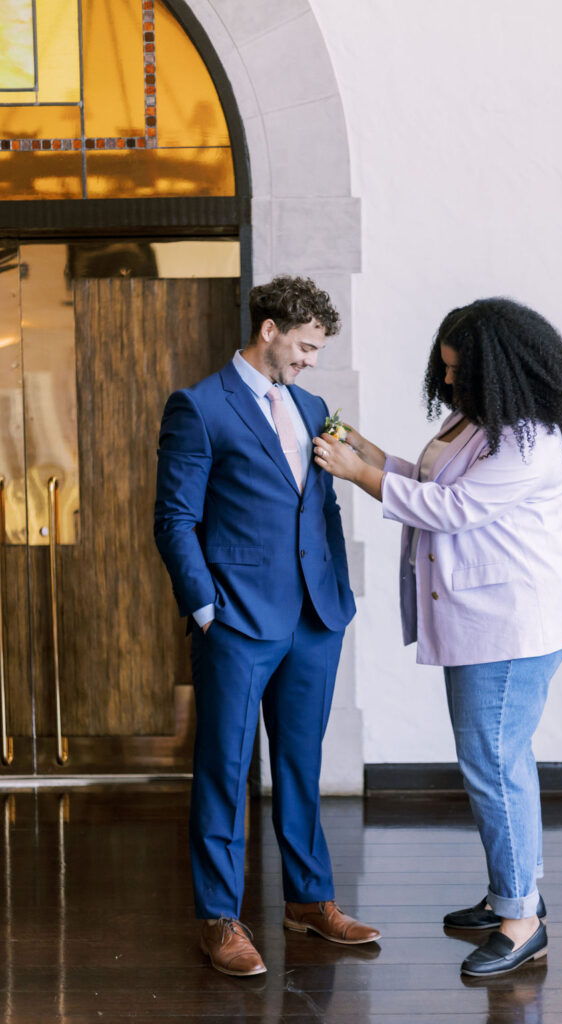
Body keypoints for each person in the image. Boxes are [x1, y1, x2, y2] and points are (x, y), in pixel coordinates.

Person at [312, 296, 562, 978]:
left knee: (493, 765)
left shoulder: (528, 439)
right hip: (487, 621)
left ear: (497, 367)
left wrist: (358, 476)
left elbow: (454, 508)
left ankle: (521, 922)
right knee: (501, 761)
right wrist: (374, 455)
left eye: (455, 370)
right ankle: (512, 892)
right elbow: (435, 479)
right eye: (442, 369)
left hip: (513, 625)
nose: (444, 382)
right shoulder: (478, 423)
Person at [154, 275, 380, 978]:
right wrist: (203, 608)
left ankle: (309, 902)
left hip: (315, 618)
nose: (312, 361)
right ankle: (220, 918)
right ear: (270, 331)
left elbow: (323, 507)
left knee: (300, 766)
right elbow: (175, 520)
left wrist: (338, 593)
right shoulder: (198, 406)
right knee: (223, 769)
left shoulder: (312, 407)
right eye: (306, 346)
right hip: (235, 622)